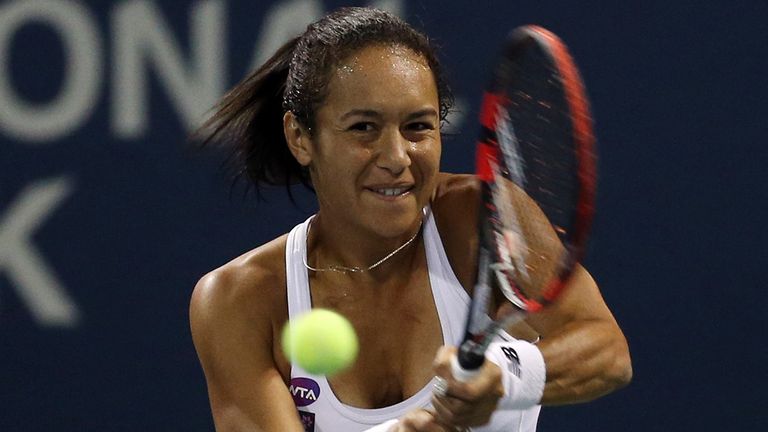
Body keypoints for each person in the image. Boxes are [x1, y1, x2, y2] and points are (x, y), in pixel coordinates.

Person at [190, 7, 631, 432]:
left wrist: (505, 378)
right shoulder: (238, 301)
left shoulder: (480, 221)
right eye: (364, 127)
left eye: (418, 127)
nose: (397, 158)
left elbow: (607, 351)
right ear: (301, 137)